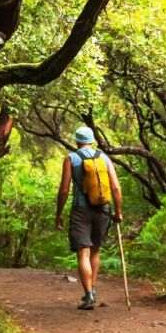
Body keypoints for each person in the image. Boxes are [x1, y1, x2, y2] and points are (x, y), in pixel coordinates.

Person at [54, 126, 123, 310]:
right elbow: (115, 187)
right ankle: (91, 289)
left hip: (81, 209)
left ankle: (89, 295)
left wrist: (59, 214)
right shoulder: (104, 158)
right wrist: (118, 211)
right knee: (95, 250)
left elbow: (64, 189)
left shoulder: (71, 158)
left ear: (77, 141)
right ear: (92, 141)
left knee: (82, 253)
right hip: (103, 209)